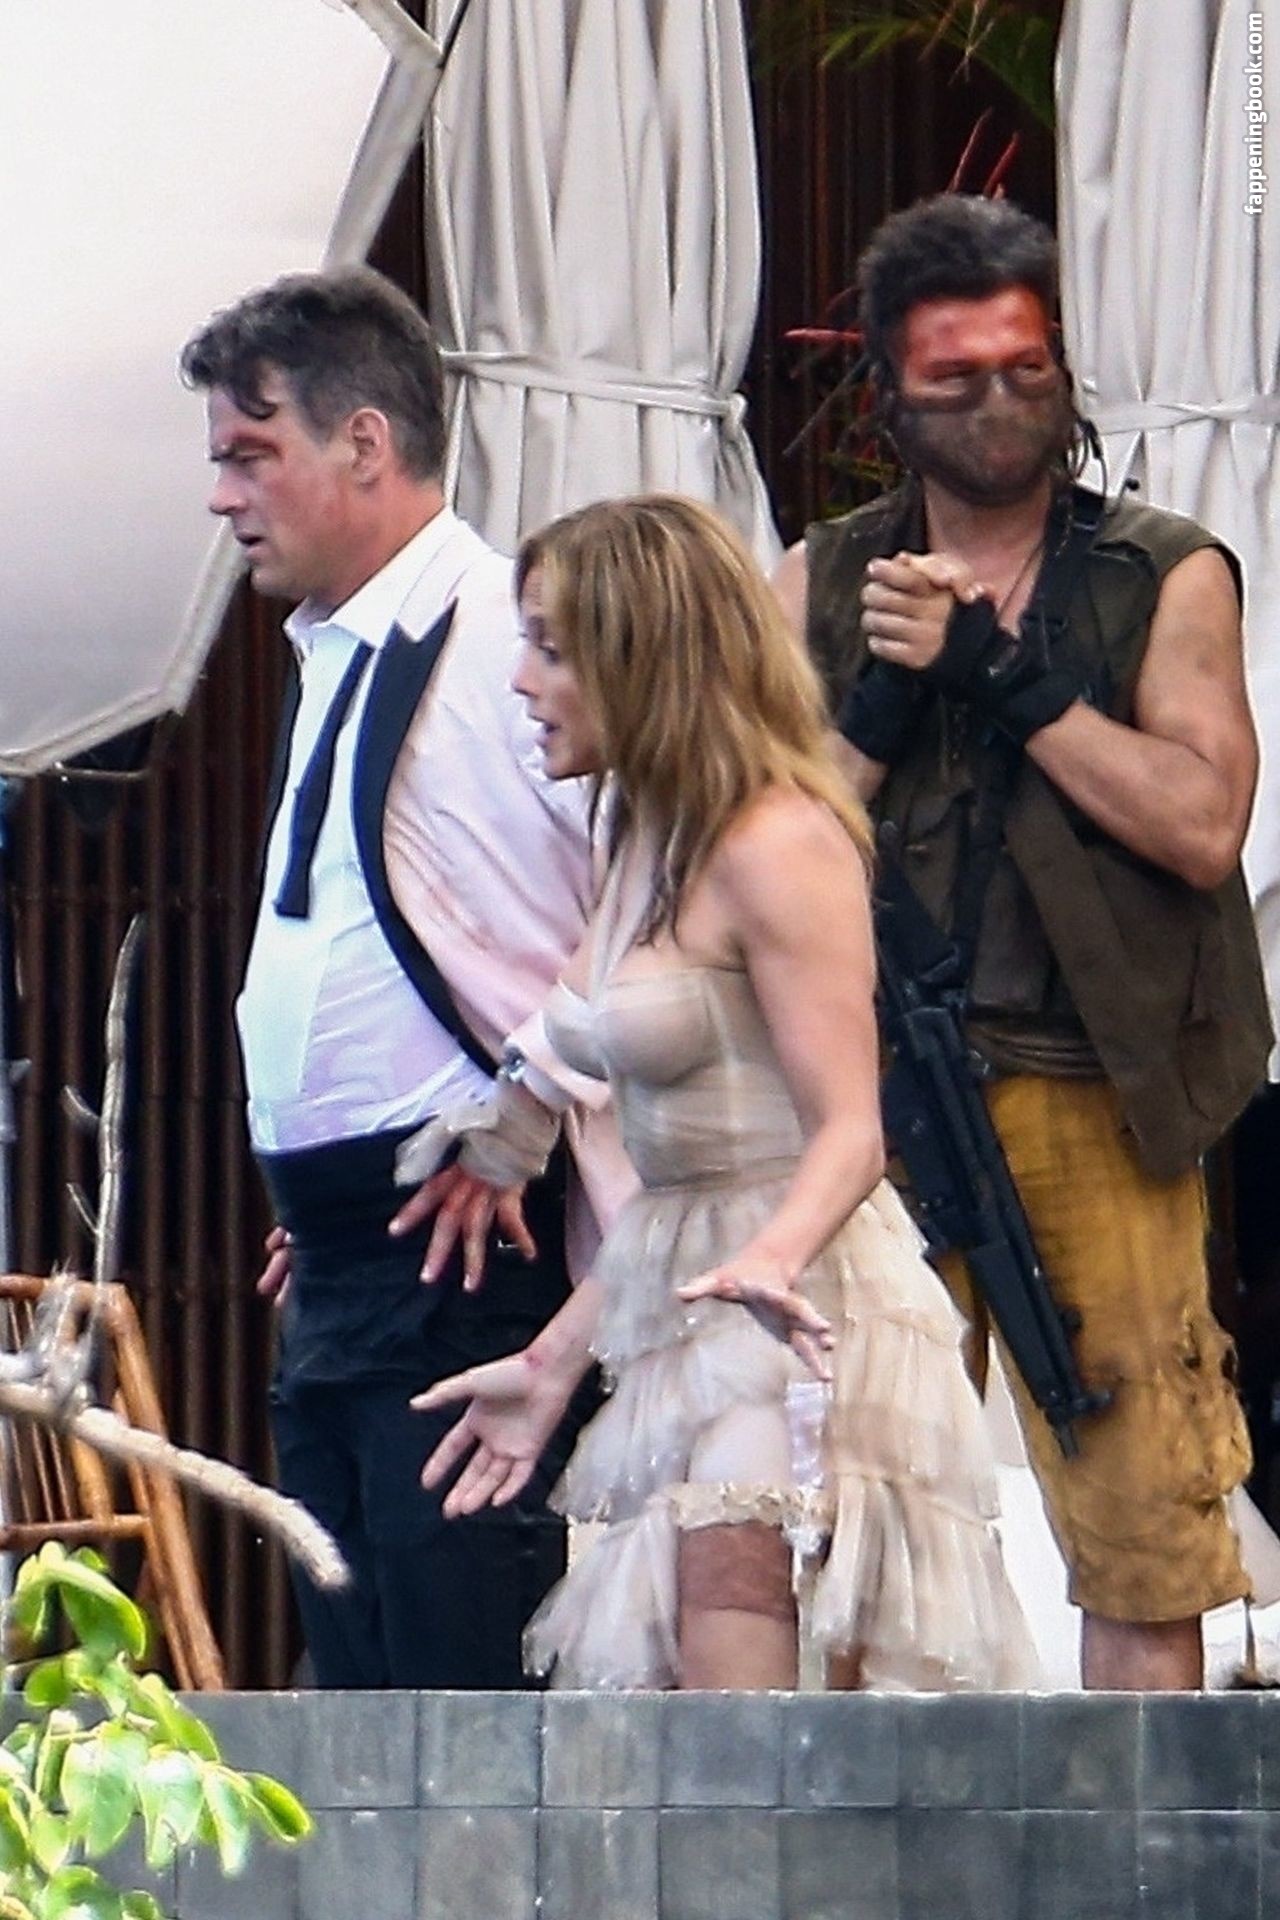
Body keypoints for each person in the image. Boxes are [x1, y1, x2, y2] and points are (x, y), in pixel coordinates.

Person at [408, 494, 1036, 1692]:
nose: (522, 683)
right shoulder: (642, 831)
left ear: (642, 656)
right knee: (680, 1704)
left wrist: (769, 1258)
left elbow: (848, 1132)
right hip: (685, 1304)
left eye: (550, 649)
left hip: (797, 1313)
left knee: (743, 1694)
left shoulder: (777, 842)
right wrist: (554, 1359)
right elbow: (679, 1191)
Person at [772, 193, 1271, 1690]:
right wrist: (881, 703)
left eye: (1024, 367)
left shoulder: (1159, 570)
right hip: (872, 1109)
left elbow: (1204, 823)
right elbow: (758, 851)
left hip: (1097, 1090)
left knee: (1141, 1516)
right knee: (854, 1528)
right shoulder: (819, 577)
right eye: (953, 378)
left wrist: (1007, 678)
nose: (997, 400)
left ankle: (1145, 1824)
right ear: (885, 394)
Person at [179, 266, 622, 1689]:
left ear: (363, 442)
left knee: (459, 1683)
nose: (224, 497)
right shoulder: (337, 644)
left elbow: (669, 899)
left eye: (253, 455)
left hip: (473, 1234)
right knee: (360, 1685)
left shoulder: (508, 632)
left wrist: (529, 1102)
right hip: (343, 1245)